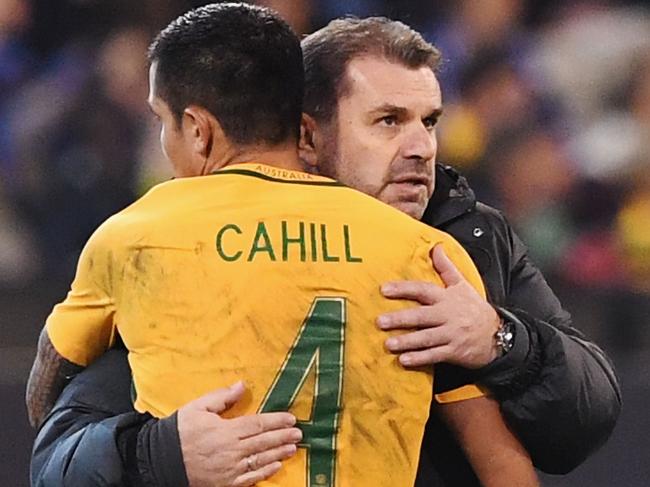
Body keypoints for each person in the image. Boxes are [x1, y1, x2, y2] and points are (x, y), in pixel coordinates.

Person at [29, 15, 620, 487]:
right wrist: (156, 453)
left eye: (430, 121)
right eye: (388, 121)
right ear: (306, 134)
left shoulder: (464, 239)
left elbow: (588, 418)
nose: (420, 147)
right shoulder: (415, 254)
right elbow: (62, 450)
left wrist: (499, 339)